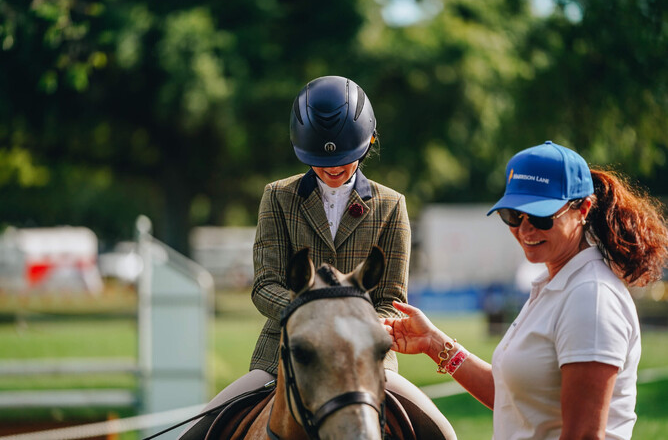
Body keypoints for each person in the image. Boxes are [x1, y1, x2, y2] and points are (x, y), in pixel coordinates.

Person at [179, 75, 455, 439]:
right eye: (322, 160)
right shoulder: (277, 197)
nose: (334, 168)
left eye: (344, 158)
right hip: (288, 357)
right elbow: (264, 285)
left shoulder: (391, 206)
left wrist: (350, 324)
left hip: (365, 362)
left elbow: (391, 301)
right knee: (197, 432)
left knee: (442, 432)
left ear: (368, 140)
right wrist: (312, 316)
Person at [382, 141, 668, 440]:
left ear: (582, 209)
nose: (526, 229)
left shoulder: (590, 297)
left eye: (541, 217)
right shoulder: (558, 284)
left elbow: (583, 435)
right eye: (514, 216)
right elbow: (515, 400)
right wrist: (433, 343)